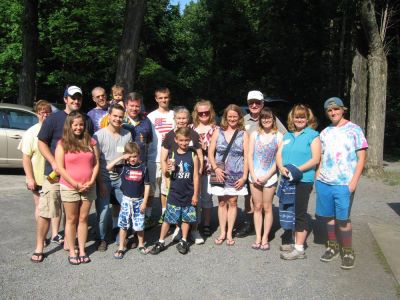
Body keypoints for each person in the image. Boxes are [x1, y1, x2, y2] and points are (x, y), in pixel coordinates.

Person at [31, 85, 94, 263]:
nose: (76, 101)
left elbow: (91, 145)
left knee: (72, 214)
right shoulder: (53, 118)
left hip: (77, 178)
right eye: (72, 98)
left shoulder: (86, 120)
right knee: (47, 210)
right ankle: (39, 247)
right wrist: (53, 162)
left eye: (79, 98)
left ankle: (69, 242)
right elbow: (42, 142)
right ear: (65, 99)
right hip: (54, 175)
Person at [316, 97, 368, 270]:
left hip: (344, 183)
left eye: (336, 109)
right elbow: (321, 157)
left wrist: (353, 182)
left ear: (342, 110)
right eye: (330, 111)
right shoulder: (325, 132)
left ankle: (347, 250)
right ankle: (333, 247)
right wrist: (317, 177)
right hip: (325, 181)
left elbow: (362, 158)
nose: (333, 113)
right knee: (329, 218)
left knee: (343, 219)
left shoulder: (354, 130)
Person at [237, 90, 287, 238]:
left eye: (257, 102)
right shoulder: (244, 120)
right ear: (247, 104)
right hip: (247, 165)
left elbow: (284, 137)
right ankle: (249, 223)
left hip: (267, 167)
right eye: (251, 102)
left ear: (262, 103)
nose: (254, 105)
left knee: (264, 202)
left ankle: (264, 226)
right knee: (248, 197)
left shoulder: (271, 119)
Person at [276, 104, 321, 260]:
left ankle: (299, 249)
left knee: (300, 213)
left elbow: (315, 159)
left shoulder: (313, 135)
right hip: (287, 179)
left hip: (303, 179)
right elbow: (279, 154)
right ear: (292, 118)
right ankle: (295, 240)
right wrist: (281, 167)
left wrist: (297, 170)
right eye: (297, 116)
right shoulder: (287, 136)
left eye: (303, 117)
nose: (300, 119)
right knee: (289, 210)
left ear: (308, 118)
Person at [55, 111, 100, 265]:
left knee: (83, 219)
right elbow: (60, 168)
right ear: (69, 125)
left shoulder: (91, 141)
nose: (78, 127)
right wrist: (74, 183)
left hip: (88, 186)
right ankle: (72, 250)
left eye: (81, 124)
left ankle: (82, 250)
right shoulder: (62, 143)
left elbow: (96, 164)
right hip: (69, 186)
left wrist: (92, 180)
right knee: (71, 219)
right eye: (75, 124)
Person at [150, 127, 199, 255]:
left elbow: (196, 176)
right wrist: (168, 169)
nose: (184, 143)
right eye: (181, 140)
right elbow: (165, 173)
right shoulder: (171, 154)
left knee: (186, 219)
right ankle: (161, 241)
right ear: (176, 140)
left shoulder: (193, 154)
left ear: (190, 140)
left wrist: (195, 194)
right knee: (168, 218)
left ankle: (183, 240)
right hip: (174, 193)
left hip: (188, 193)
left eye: (186, 140)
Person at [160, 107, 203, 244]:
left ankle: (194, 230)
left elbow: (199, 156)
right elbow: (163, 157)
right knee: (175, 205)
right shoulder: (169, 136)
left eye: (184, 118)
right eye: (179, 118)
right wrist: (166, 174)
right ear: (175, 119)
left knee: (192, 204)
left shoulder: (194, 135)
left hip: (190, 175)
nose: (181, 121)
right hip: (172, 177)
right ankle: (178, 229)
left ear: (188, 119)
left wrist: (198, 174)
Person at [18, 100, 58, 245]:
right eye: (43, 113)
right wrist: (29, 178)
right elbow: (26, 158)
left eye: (48, 112)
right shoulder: (31, 133)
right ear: (37, 114)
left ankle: (55, 234)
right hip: (38, 177)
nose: (46, 115)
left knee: (55, 205)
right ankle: (43, 235)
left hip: (53, 176)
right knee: (41, 208)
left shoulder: (55, 129)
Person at [208, 104, 249, 246]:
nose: (232, 119)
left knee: (233, 202)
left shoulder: (244, 134)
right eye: (229, 116)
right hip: (219, 172)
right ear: (225, 117)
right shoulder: (217, 132)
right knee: (221, 202)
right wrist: (215, 168)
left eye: (235, 116)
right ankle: (222, 232)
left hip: (236, 173)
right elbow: (210, 152)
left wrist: (244, 177)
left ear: (239, 118)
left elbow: (247, 157)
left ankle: (230, 232)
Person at [94, 104, 132, 252]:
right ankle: (101, 238)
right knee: (103, 211)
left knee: (125, 207)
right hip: (104, 177)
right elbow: (95, 162)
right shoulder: (99, 135)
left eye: (120, 116)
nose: (117, 119)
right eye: (115, 116)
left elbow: (130, 158)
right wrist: (100, 183)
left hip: (121, 178)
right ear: (109, 116)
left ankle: (121, 236)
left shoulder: (127, 135)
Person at [107, 142, 150, 259]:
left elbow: (147, 186)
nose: (132, 159)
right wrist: (121, 157)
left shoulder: (143, 168)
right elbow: (108, 167)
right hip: (126, 201)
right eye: (130, 156)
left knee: (139, 225)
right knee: (123, 224)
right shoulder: (123, 168)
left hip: (139, 201)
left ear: (139, 156)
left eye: (135, 156)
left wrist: (145, 202)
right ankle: (121, 247)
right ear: (126, 156)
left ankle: (141, 244)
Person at [248, 107, 283, 250]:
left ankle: (265, 237)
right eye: (263, 118)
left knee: (267, 207)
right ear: (260, 120)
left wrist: (267, 175)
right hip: (254, 176)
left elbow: (279, 159)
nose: (266, 120)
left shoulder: (279, 136)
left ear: (273, 119)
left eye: (269, 117)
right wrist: (254, 175)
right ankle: (257, 236)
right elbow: (249, 155)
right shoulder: (255, 135)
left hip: (270, 177)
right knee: (257, 207)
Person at [146, 87, 175, 228]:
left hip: (168, 159)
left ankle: (165, 215)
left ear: (169, 98)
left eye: (166, 97)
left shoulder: (174, 115)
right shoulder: (150, 116)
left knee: (165, 190)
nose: (164, 100)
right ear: (156, 99)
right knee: (151, 190)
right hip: (152, 158)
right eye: (161, 97)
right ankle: (148, 216)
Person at [189, 100, 218, 237]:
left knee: (206, 197)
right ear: (196, 113)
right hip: (192, 169)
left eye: (207, 112)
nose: (204, 114)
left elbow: (221, 149)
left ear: (211, 112)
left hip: (208, 168)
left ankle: (206, 223)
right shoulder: (190, 128)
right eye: (201, 113)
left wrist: (207, 149)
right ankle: (193, 223)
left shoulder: (216, 129)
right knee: (193, 197)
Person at [122, 92, 152, 165]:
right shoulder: (119, 120)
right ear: (126, 105)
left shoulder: (146, 121)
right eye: (131, 106)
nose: (134, 109)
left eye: (137, 106)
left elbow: (149, 141)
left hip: (141, 163)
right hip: (123, 164)